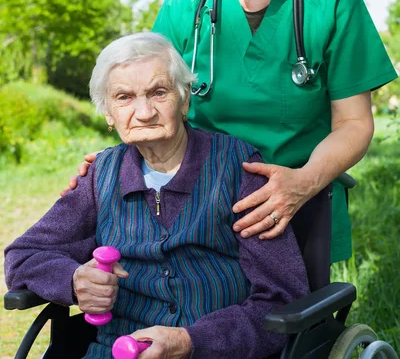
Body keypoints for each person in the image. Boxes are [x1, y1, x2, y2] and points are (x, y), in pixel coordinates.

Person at [68, 0, 397, 264]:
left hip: (301, 193)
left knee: (281, 315)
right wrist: (115, 161)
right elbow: (146, 97)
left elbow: (353, 122)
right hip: (196, 195)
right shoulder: (188, 0)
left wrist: (302, 183)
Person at [5, 33, 309, 359]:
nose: (144, 112)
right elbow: (23, 255)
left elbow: (281, 297)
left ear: (185, 99)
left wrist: (193, 341)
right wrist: (74, 280)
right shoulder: (101, 176)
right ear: (108, 114)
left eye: (158, 92)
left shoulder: (238, 166)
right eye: (124, 98)